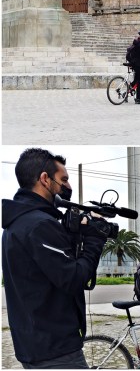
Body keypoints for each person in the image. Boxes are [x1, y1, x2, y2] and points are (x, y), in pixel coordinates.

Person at [2, 148, 109, 368]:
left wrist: (71, 236)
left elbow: (47, 274)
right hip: (56, 350)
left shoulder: (18, 222)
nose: (67, 186)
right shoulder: (40, 225)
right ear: (45, 179)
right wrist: (95, 239)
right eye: (64, 180)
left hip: (35, 344)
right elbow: (74, 278)